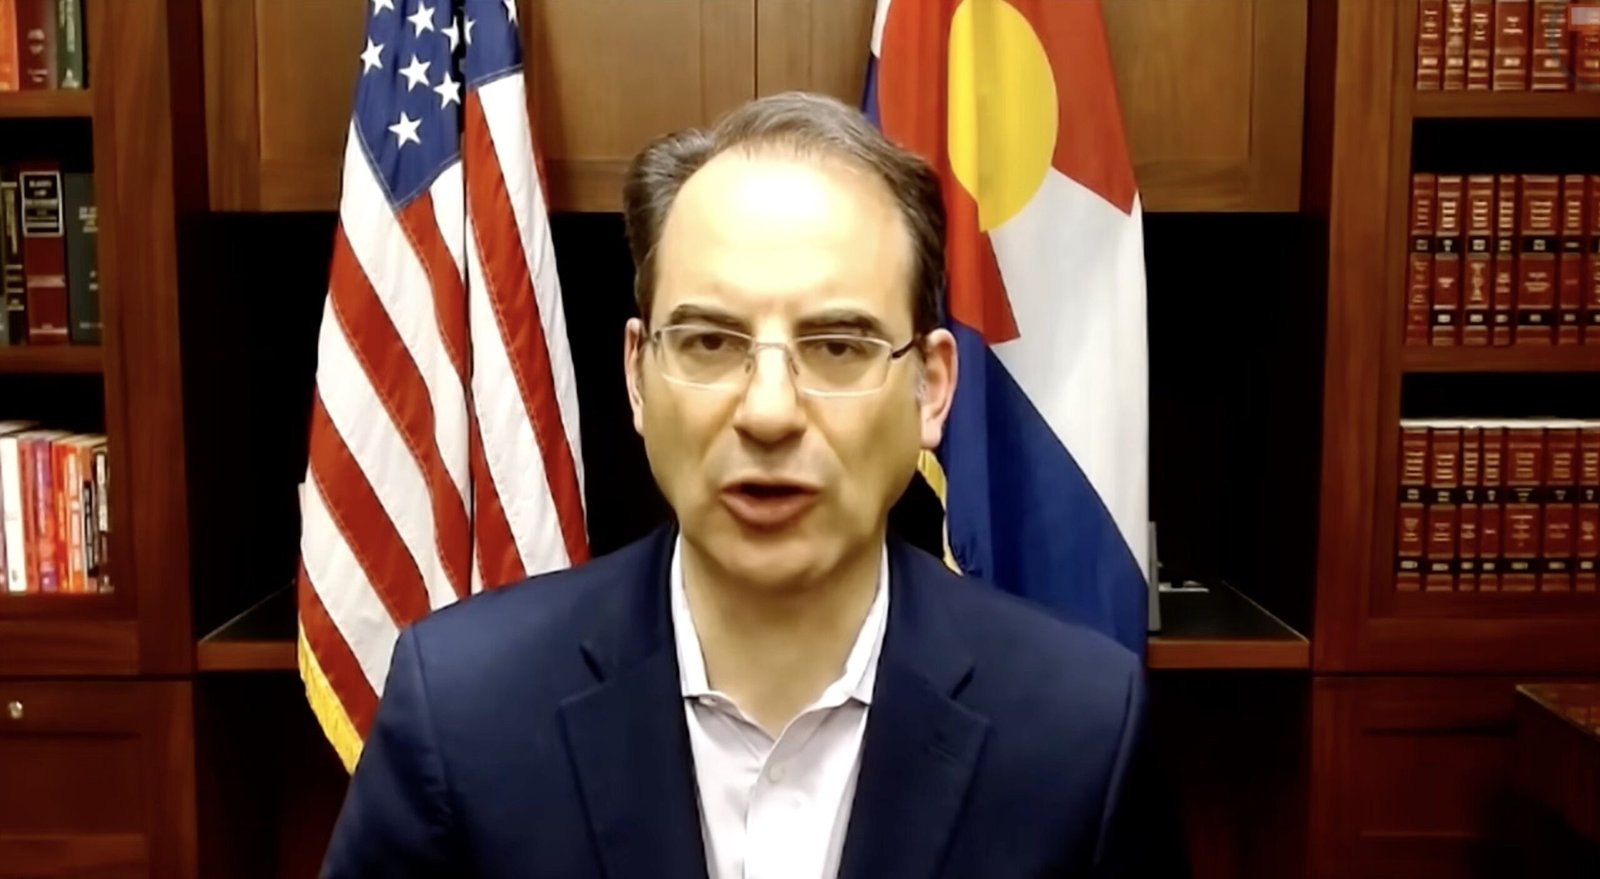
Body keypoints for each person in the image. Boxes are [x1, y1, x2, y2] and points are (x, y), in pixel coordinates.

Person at [321, 91, 1158, 878]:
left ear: (931, 388)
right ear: (639, 376)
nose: (766, 413)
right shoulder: (462, 707)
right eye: (711, 343)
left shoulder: (1083, 728)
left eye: (837, 345)